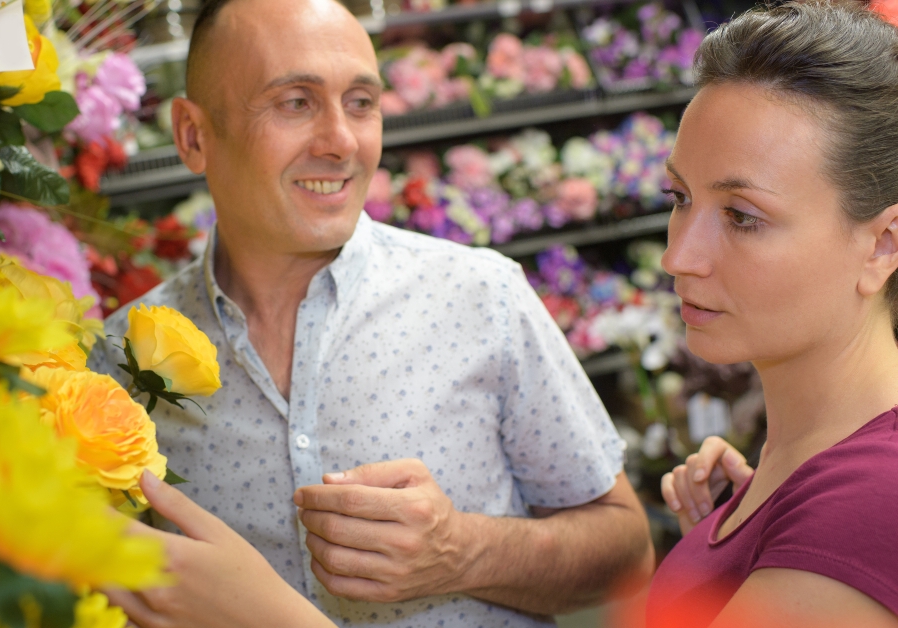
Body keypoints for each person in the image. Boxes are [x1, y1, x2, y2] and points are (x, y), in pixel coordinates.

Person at [92, 0, 654, 626]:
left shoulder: (480, 295)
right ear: (193, 136)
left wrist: (461, 553)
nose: (342, 142)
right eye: (295, 102)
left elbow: (628, 557)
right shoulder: (119, 362)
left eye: (361, 102)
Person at [648, 2, 898, 626]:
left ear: (883, 246)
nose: (678, 257)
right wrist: (739, 541)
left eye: (742, 217)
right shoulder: (812, 462)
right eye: (679, 197)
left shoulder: (871, 501)